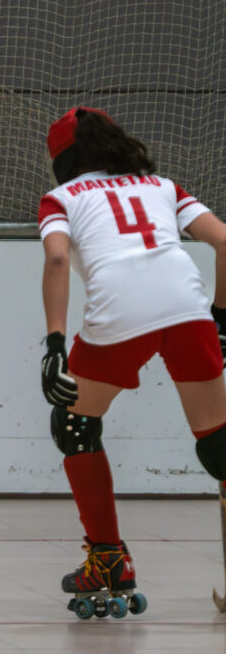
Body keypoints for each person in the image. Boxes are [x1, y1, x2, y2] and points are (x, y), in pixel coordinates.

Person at [38, 106, 226, 602]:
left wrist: (55, 344)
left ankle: (108, 561)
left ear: (64, 160)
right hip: (188, 307)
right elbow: (225, 241)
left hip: (120, 312)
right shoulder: (163, 186)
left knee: (75, 424)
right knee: (218, 443)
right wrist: (222, 320)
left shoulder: (61, 199)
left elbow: (56, 259)